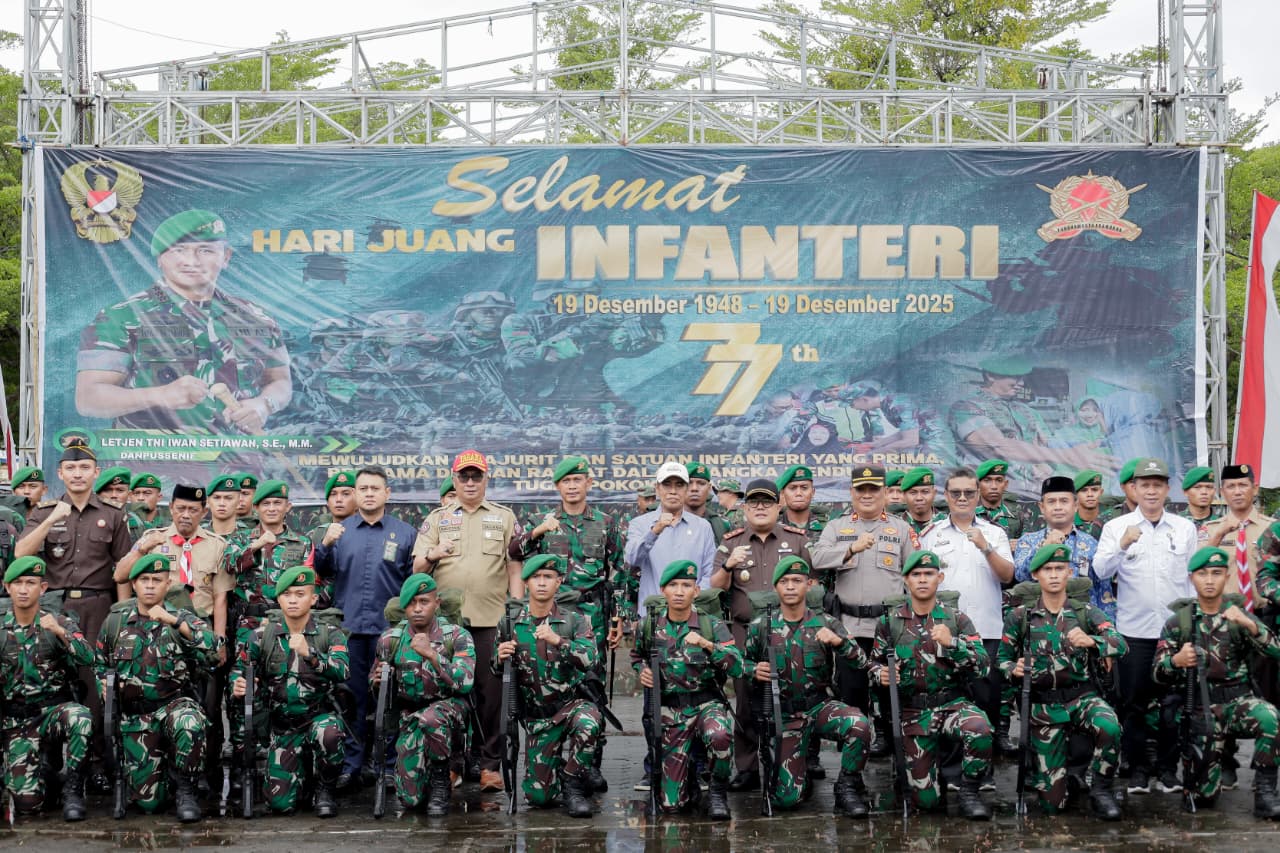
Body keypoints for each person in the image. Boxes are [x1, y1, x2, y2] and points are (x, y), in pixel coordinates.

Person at [75, 209, 292, 431]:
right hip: (153, 451)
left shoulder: (257, 318)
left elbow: (280, 381)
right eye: (178, 250)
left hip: (240, 451)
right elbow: (88, 398)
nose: (192, 261)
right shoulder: (121, 317)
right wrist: (159, 395)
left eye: (205, 250)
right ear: (160, 259)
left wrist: (265, 404)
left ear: (226, 257)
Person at [16, 440, 131, 791]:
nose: (77, 474)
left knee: (93, 686)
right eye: (71, 468)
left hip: (98, 606)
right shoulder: (44, 512)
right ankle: (49, 764)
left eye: (84, 468)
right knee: (51, 682)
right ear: (60, 473)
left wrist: (123, 618)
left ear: (96, 472)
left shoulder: (113, 515)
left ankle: (94, 763)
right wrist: (52, 519)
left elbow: (123, 571)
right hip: (53, 608)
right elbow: (21, 554)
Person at [508, 455, 626, 791]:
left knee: (592, 686)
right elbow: (515, 551)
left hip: (592, 617)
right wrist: (539, 531)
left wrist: (619, 618)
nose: (572, 487)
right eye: (566, 482)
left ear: (589, 483)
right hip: (552, 615)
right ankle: (553, 756)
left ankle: (589, 764)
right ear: (558, 486)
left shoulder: (606, 522)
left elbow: (619, 571)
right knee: (550, 683)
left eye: (578, 480)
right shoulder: (543, 521)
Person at [412, 450, 520, 792]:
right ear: (454, 479)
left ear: (486, 479)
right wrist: (433, 553)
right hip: (448, 624)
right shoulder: (437, 519)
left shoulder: (504, 517)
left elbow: (514, 566)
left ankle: (489, 766)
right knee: (449, 692)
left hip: (491, 620)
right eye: (464, 476)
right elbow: (416, 569)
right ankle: (452, 765)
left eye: (476, 476)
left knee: (491, 696)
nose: (470, 482)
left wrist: (516, 609)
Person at [997, 543, 1126, 818]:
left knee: (1110, 726)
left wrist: (1094, 641)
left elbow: (1120, 643)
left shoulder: (1085, 612)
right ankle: (1062, 781)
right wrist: (1013, 669)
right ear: (1036, 575)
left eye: (1059, 568)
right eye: (1047, 569)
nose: (1054, 574)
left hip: (1081, 698)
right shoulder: (1020, 617)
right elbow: (1001, 660)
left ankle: (1101, 789)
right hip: (1044, 708)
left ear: (1069, 573)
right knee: (1052, 805)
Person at [1093, 457, 1197, 795]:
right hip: (1134, 631)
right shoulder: (1116, 527)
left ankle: (1167, 770)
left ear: (1168, 489)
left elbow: (1192, 580)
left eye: (1157, 485)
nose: (1151, 491)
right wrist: (1123, 544)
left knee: (1173, 704)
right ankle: (1137, 770)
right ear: (1133, 489)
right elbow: (1101, 571)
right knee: (1133, 704)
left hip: (1173, 633)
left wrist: (1192, 626)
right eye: (1145, 485)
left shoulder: (1184, 528)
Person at [1153, 546, 1280, 817]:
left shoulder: (1238, 616)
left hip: (1238, 703)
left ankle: (1266, 795)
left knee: (1270, 717)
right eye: (1202, 574)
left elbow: (1275, 651)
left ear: (1226, 577)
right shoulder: (1179, 622)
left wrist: (1251, 626)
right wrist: (1176, 661)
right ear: (1192, 578)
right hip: (1201, 710)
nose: (1209, 580)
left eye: (1216, 573)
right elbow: (1157, 674)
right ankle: (1208, 779)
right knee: (1204, 798)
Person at [745, 555, 874, 817]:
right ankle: (800, 774)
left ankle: (847, 786)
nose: (790, 586)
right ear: (775, 587)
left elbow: (862, 661)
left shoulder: (826, 622)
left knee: (859, 724)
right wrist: (753, 670)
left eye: (797, 580)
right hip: (785, 716)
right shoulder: (761, 627)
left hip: (819, 707)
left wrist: (840, 643)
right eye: (784, 581)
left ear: (809, 584)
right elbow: (743, 664)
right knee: (786, 799)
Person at [869, 550, 994, 819]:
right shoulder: (889, 623)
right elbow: (873, 665)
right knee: (926, 803)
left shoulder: (956, 619)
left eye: (929, 574)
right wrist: (881, 674)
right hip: (912, 711)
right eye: (916, 574)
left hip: (952, 705)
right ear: (906, 580)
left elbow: (984, 666)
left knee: (979, 728)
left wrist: (954, 644)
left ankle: (969, 791)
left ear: (940, 578)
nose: (923, 579)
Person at [313, 465, 417, 787]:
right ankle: (352, 765)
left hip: (390, 633)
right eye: (363, 489)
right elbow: (321, 572)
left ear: (387, 493)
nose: (369, 494)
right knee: (352, 700)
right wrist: (324, 545)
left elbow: (412, 584)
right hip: (350, 630)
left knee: (390, 700)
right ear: (356, 494)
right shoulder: (339, 532)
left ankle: (389, 767)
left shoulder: (405, 534)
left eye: (375, 488)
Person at [96, 553, 218, 821]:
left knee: (189, 722)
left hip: (174, 706)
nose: (150, 585)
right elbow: (100, 664)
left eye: (157, 580)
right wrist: (105, 688)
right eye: (144, 580)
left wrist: (174, 622)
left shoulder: (182, 618)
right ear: (134, 584)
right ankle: (165, 776)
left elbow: (214, 649)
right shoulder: (116, 622)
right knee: (149, 804)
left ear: (167, 583)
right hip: (136, 718)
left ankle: (186, 788)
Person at [710, 478, 811, 789]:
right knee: (745, 699)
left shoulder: (797, 540)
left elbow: (813, 583)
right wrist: (728, 565)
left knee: (795, 696)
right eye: (754, 502)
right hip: (744, 630)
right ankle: (748, 767)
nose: (760, 508)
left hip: (789, 630)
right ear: (744, 508)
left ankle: (797, 763)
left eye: (767, 502)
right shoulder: (732, 542)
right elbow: (715, 587)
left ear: (779, 506)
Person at [810, 465, 915, 758]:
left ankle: (890, 744)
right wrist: (850, 549)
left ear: (885, 493)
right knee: (852, 690)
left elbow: (913, 573)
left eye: (873, 489)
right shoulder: (837, 527)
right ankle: (855, 746)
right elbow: (817, 558)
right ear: (851, 492)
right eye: (861, 489)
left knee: (889, 690)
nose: (867, 495)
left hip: (889, 626)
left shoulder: (901, 528)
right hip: (850, 627)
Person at [919, 467, 1014, 782]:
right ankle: (949, 773)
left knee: (985, 702)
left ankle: (981, 774)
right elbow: (919, 581)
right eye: (956, 493)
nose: (962, 498)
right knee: (947, 700)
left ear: (978, 496)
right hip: (943, 634)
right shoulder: (931, 535)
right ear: (945, 496)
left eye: (969, 493)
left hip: (985, 632)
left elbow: (1008, 576)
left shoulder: (994, 533)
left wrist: (985, 547)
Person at [231, 565, 350, 817]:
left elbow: (342, 671)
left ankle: (325, 788)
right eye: (287, 594)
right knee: (280, 805)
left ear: (313, 599)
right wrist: (239, 685)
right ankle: (302, 777)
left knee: (329, 733)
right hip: (283, 728)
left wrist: (312, 656)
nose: (293, 600)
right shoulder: (260, 637)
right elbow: (239, 671)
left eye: (300, 594)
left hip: (318, 718)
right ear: (278, 599)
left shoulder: (330, 634)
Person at [633, 558, 742, 818]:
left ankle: (717, 792)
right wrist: (642, 671)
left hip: (706, 705)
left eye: (686, 585)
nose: (679, 591)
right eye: (673, 585)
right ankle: (689, 776)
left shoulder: (711, 625)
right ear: (663, 590)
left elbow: (737, 666)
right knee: (671, 806)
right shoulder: (649, 626)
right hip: (671, 711)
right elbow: (637, 656)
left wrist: (708, 645)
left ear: (696, 590)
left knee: (719, 734)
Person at [495, 554, 602, 816]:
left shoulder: (574, 621)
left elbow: (591, 660)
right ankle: (562, 768)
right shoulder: (510, 623)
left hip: (570, 707)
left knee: (589, 722)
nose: (541, 583)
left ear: (558, 582)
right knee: (538, 798)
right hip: (537, 718)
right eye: (536, 577)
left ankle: (573, 784)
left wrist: (559, 642)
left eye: (548, 577)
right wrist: (499, 659)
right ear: (526, 583)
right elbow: (497, 671)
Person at [221, 479, 314, 771]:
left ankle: (280, 758)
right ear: (256, 507)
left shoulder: (301, 543)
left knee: (283, 686)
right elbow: (230, 565)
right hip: (249, 625)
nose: (272, 508)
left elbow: (310, 582)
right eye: (266, 504)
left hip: (287, 626)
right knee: (243, 687)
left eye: (277, 503)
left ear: (288, 507)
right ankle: (242, 764)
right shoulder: (240, 537)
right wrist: (257, 545)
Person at [0, 556, 95, 820]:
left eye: (30, 583)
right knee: (28, 805)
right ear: (7, 587)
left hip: (52, 714)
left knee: (81, 718)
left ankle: (73, 790)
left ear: (42, 588)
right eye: (17, 583)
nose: (23, 589)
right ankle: (49, 778)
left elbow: (89, 658)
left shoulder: (58, 621)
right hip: (16, 721)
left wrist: (61, 633)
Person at [374, 573, 475, 817]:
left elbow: (465, 683)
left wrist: (432, 654)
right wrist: (379, 681)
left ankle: (441, 780)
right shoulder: (390, 640)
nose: (417, 609)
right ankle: (425, 775)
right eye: (411, 603)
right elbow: (376, 686)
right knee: (410, 800)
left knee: (432, 718)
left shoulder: (457, 636)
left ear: (436, 603)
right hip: (410, 716)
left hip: (450, 710)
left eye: (424, 602)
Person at [948, 357, 1112, 482]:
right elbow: (997, 447)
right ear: (990, 376)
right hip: (991, 490)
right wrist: (1066, 455)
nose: (1021, 383)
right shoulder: (967, 408)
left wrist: (1077, 447)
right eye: (1014, 377)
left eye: (1022, 377)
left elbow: (1046, 442)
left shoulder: (1025, 410)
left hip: (1033, 487)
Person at [623, 461, 716, 620]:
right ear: (657, 488)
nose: (673, 491)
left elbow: (709, 572)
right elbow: (632, 560)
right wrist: (654, 531)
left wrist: (694, 603)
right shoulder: (640, 524)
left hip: (692, 617)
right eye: (667, 485)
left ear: (686, 489)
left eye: (679, 485)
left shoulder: (702, 527)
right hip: (653, 617)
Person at [1013, 477, 1112, 619]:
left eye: (1064, 501)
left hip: (1083, 622)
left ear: (1075, 505)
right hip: (1039, 621)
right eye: (1051, 502)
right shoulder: (1028, 541)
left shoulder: (1091, 544)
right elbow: (1021, 576)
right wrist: (1044, 546)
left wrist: (1106, 625)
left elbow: (1103, 590)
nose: (1058, 507)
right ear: (1042, 507)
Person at [307, 470, 358, 609]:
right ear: (327, 502)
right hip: (323, 612)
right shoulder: (316, 534)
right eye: (333, 494)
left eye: (346, 494)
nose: (339, 499)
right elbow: (307, 576)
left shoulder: (369, 533)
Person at [974, 459, 1026, 548]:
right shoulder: (967, 513)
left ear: (1005, 484)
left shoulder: (1017, 514)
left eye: (999, 480)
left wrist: (1020, 546)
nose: (994, 486)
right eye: (987, 480)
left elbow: (1029, 544)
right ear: (978, 485)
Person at [776, 465, 828, 547]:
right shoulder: (773, 527)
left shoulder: (828, 527)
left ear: (813, 492)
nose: (798, 493)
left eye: (804, 488)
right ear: (782, 493)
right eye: (792, 488)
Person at [684, 462, 732, 546]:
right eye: (689, 483)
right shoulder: (666, 524)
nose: (694, 488)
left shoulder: (723, 525)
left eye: (701, 483)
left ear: (709, 488)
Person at [1179, 466, 1223, 541]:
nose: (1204, 492)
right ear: (1185, 492)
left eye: (1209, 487)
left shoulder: (1223, 523)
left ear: (1214, 491)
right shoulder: (1176, 523)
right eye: (1197, 487)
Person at [900, 467, 941, 535]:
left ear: (934, 493)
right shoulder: (896, 525)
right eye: (913, 493)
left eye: (925, 492)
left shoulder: (947, 523)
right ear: (904, 495)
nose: (919, 498)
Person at [1074, 470, 1106, 539]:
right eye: (1084, 490)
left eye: (1094, 490)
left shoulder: (1111, 517)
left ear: (1101, 492)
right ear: (1076, 494)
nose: (1090, 494)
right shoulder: (1068, 522)